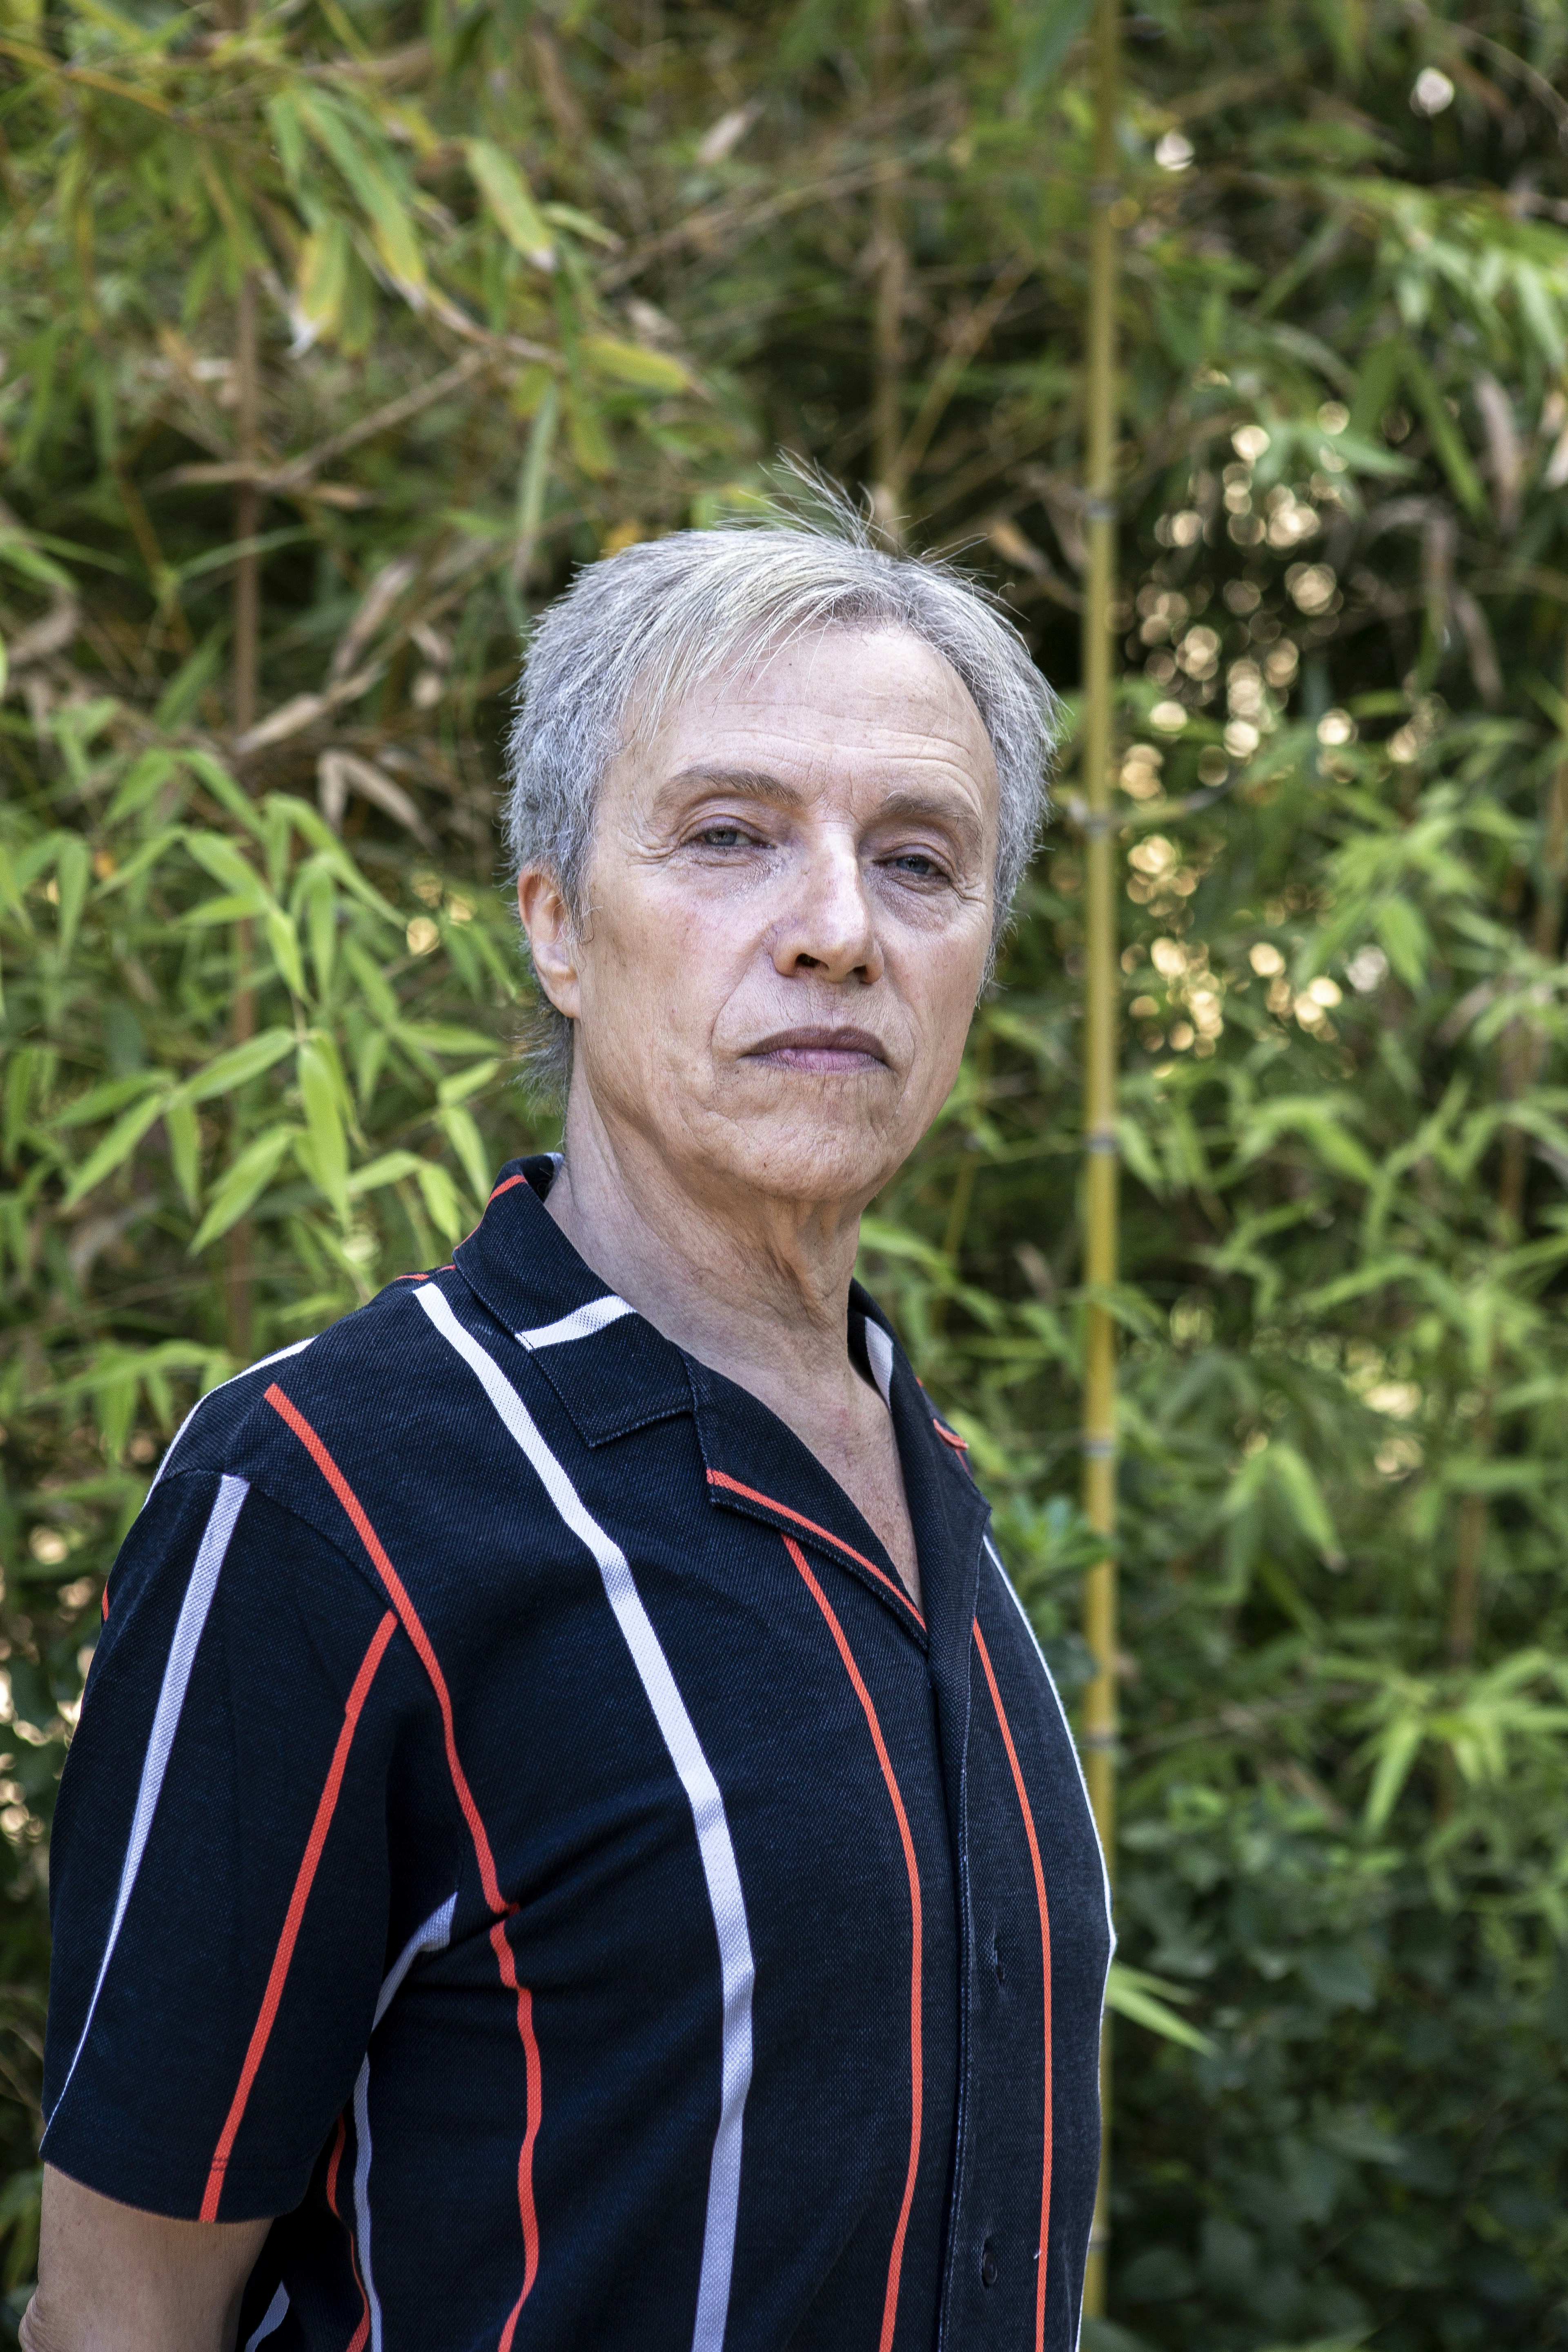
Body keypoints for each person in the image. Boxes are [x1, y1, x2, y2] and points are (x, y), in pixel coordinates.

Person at [25, 512, 1112, 2352]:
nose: (840, 931)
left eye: (920, 861)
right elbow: (124, 2313)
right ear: (556, 924)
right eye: (729, 836)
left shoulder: (930, 1491)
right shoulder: (326, 1495)